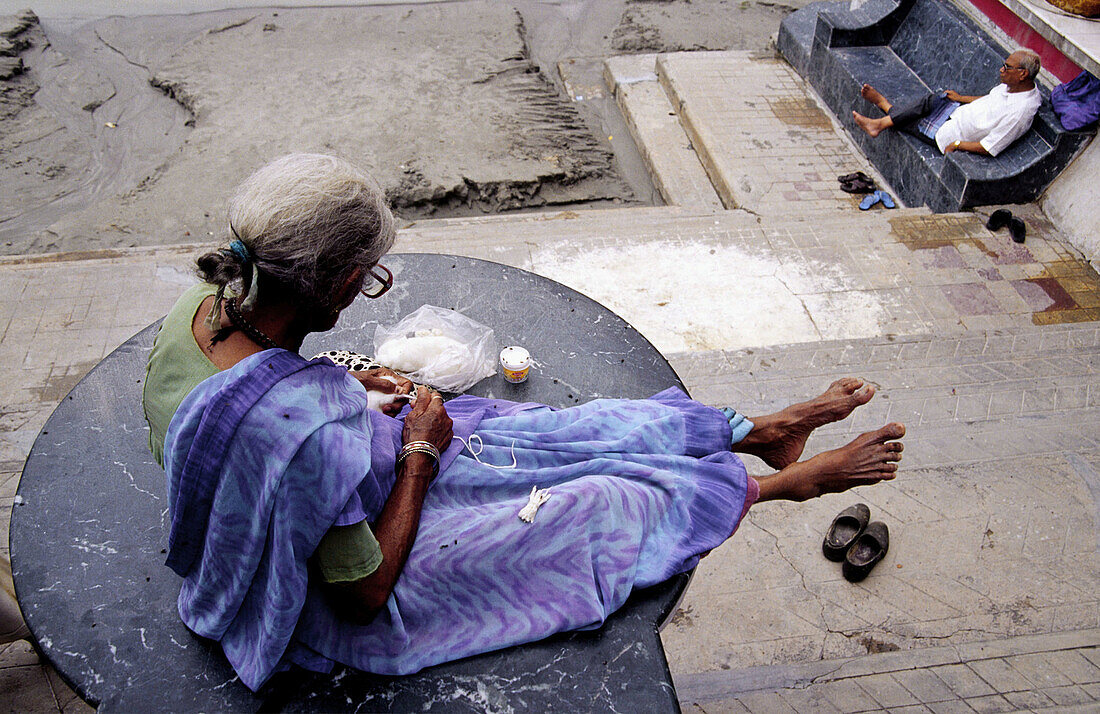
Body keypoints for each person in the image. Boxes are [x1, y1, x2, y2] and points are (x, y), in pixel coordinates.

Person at [145, 153, 905, 691]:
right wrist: (416, 457)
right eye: (369, 280)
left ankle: (760, 430)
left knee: (549, 434)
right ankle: (780, 486)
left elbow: (248, 401)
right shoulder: (300, 432)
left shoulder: (201, 310)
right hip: (337, 573)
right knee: (598, 505)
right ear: (343, 282)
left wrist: (352, 379)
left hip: (346, 469)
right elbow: (364, 594)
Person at [851, 49, 1042, 157]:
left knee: (912, 121)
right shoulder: (1013, 85)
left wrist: (958, 144)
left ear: (1022, 74)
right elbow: (988, 99)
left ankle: (882, 113)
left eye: (1007, 67)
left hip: (951, 132)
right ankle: (883, 116)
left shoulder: (1021, 112)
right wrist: (960, 99)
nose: (1001, 70)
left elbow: (990, 146)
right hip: (957, 111)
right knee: (931, 100)